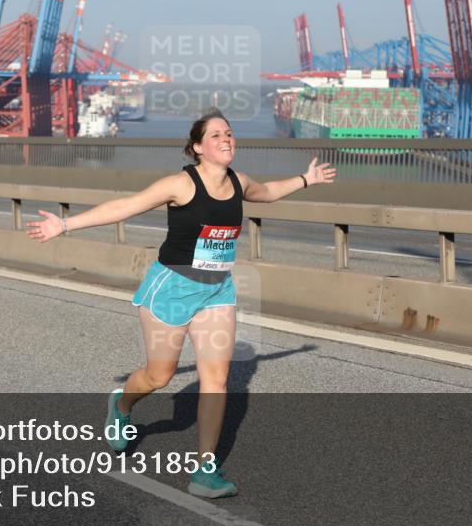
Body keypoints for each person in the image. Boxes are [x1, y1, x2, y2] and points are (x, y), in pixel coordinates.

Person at [27, 108, 335, 498]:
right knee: (160, 376)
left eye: (230, 134)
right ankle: (122, 406)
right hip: (171, 287)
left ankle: (205, 471)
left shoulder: (239, 182)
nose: (227, 139)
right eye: (217, 135)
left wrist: (307, 179)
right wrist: (65, 225)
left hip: (216, 291)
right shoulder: (180, 185)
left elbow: (269, 192)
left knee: (216, 380)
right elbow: (125, 206)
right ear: (198, 147)